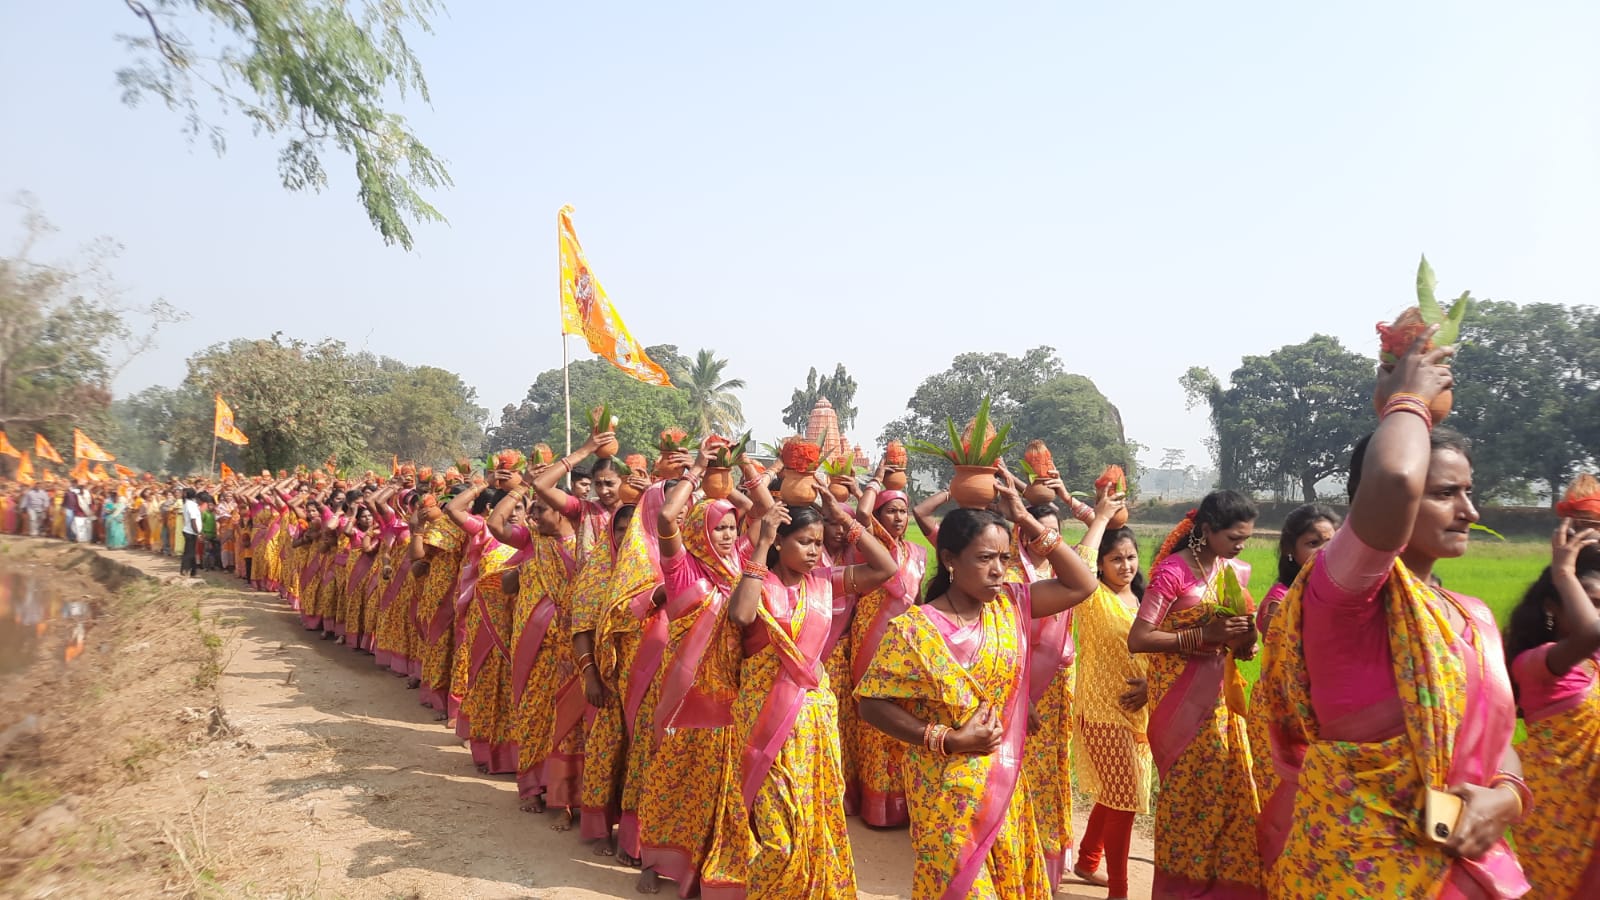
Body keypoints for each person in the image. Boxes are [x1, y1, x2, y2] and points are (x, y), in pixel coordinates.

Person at [1257, 327, 1530, 898]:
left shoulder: (1470, 616)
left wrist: (1505, 796)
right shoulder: (1344, 598)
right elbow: (1396, 478)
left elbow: (1490, 732)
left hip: (1465, 867)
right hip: (1357, 870)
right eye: (1445, 493)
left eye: (1468, 491)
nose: (1469, 511)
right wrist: (1407, 400)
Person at [855, 486, 1100, 900]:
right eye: (985, 558)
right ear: (950, 559)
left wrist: (1025, 519)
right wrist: (947, 738)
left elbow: (1082, 584)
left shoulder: (1011, 605)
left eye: (1004, 558)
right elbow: (872, 704)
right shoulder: (915, 629)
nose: (998, 570)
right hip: (943, 793)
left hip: (1003, 784)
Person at [700, 495, 898, 897]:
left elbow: (886, 568)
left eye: (818, 542)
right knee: (778, 833)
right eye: (805, 541)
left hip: (813, 725)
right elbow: (741, 615)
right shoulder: (758, 583)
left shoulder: (824, 583)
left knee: (812, 816)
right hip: (765, 721)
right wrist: (761, 542)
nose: (813, 551)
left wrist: (845, 518)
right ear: (779, 541)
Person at [1127, 489, 1263, 898]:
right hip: (1177, 706)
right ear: (1206, 529)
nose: (1240, 546)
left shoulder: (1234, 572)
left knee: (1229, 797)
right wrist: (1202, 635)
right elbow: (1139, 638)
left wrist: (1245, 642)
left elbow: (1235, 640)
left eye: (1246, 539)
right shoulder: (1174, 572)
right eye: (1234, 538)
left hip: (1220, 703)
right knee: (1188, 803)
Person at [635, 441, 755, 897]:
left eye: (731, 527)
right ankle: (654, 859)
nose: (726, 534)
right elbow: (667, 519)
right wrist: (699, 468)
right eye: (718, 527)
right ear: (700, 530)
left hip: (729, 697)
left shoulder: (743, 569)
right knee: (670, 779)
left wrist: (737, 467)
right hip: (684, 696)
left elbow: (762, 513)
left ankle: (709, 867)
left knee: (722, 789)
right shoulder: (683, 571)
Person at [1503, 522, 1600, 898]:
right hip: (1565, 818)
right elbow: (1591, 632)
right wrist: (1563, 572)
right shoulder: (1536, 665)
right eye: (1591, 602)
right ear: (1551, 607)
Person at [1067, 489, 1149, 900]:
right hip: (1102, 711)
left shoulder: (1146, 600)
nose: (1125, 565)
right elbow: (1077, 563)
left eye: (1131, 557)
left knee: (1117, 794)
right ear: (1101, 565)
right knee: (1125, 798)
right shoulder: (1092, 596)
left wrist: (1152, 688)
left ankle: (1087, 859)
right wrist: (1098, 518)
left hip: (1142, 713)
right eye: (1116, 559)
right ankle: (1120, 890)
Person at [848, 471, 932, 827]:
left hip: (906, 642)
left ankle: (902, 802)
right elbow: (861, 515)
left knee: (903, 716)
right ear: (880, 517)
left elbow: (919, 599)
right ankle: (876, 807)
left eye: (902, 511)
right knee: (873, 716)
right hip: (872, 638)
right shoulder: (873, 547)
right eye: (891, 511)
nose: (898, 517)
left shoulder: (918, 553)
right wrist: (876, 479)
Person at [1256, 503, 1340, 636]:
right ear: (1289, 549)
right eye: (1313, 543)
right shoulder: (1280, 600)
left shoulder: (1340, 591)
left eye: (1332, 542)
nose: (1325, 550)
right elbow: (1277, 645)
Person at [181, 488, 203, 576]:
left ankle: (193, 571)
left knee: (192, 552)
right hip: (191, 531)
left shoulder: (188, 504)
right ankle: (185, 569)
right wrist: (198, 532)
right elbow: (193, 520)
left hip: (189, 530)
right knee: (189, 552)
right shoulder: (191, 505)